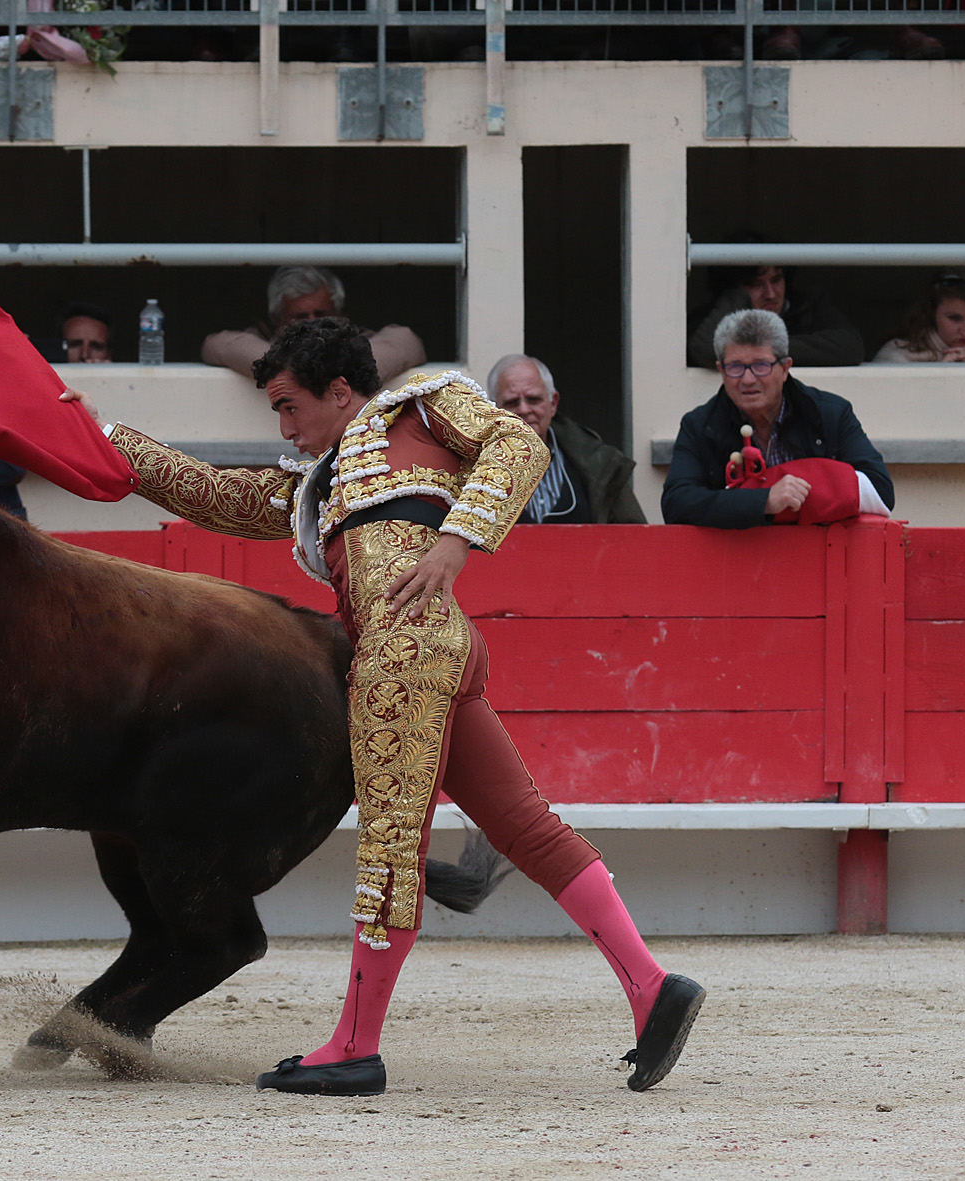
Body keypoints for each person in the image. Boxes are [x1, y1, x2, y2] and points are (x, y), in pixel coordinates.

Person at [64, 317, 704, 1098]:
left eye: (290, 406)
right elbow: (214, 493)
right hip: (435, 653)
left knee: (390, 847)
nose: (284, 425)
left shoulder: (424, 405)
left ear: (340, 391)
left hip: (402, 655)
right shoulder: (318, 482)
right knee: (528, 828)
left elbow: (522, 446)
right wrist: (93, 431)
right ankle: (651, 987)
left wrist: (456, 541)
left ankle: (355, 1045)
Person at [664, 308, 893, 528]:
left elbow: (879, 491)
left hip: (816, 555)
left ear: (785, 368)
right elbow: (676, 504)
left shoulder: (830, 413)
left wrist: (797, 489)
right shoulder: (699, 425)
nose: (748, 379)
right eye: (735, 367)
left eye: (760, 365)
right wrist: (764, 500)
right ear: (721, 370)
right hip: (734, 559)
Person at [202, 265, 426, 388]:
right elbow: (217, 345)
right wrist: (294, 365)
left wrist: (343, 364)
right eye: (300, 316)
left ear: (339, 314)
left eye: (321, 314)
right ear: (277, 318)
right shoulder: (262, 338)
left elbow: (406, 340)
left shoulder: (352, 339)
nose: (313, 323)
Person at [486, 353, 646, 524]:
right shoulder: (472, 468)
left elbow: (633, 537)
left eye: (533, 400)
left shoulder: (596, 462)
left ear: (553, 404)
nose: (524, 409)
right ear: (494, 410)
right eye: (512, 402)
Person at [688, 251, 864, 369]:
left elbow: (850, 347)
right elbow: (705, 350)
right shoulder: (712, 315)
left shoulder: (808, 306)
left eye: (777, 279)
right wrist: (736, 298)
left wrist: (763, 350)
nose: (770, 294)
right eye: (755, 284)